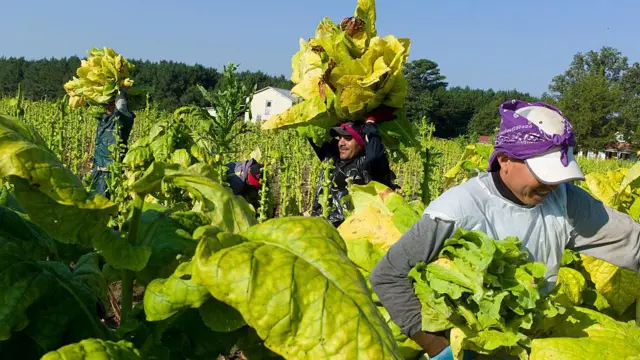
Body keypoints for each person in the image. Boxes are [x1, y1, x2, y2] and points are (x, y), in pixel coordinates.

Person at [370, 100, 640, 359]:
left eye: (559, 177)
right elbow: (388, 275)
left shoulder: (565, 201)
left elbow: (633, 242)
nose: (553, 186)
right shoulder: (457, 209)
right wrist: (436, 346)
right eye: (543, 175)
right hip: (470, 346)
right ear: (503, 160)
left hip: (532, 340)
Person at [309, 106, 398, 227]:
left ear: (361, 143)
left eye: (348, 138)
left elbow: (374, 155)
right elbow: (312, 133)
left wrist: (370, 123)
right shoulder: (333, 159)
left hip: (353, 233)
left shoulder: (367, 165)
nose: (341, 143)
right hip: (321, 228)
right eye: (339, 137)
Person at [89, 88, 135, 198]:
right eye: (107, 103)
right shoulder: (102, 118)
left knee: (110, 204)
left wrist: (120, 88)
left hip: (113, 171)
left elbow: (120, 106)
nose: (108, 106)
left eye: (111, 103)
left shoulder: (124, 117)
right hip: (98, 169)